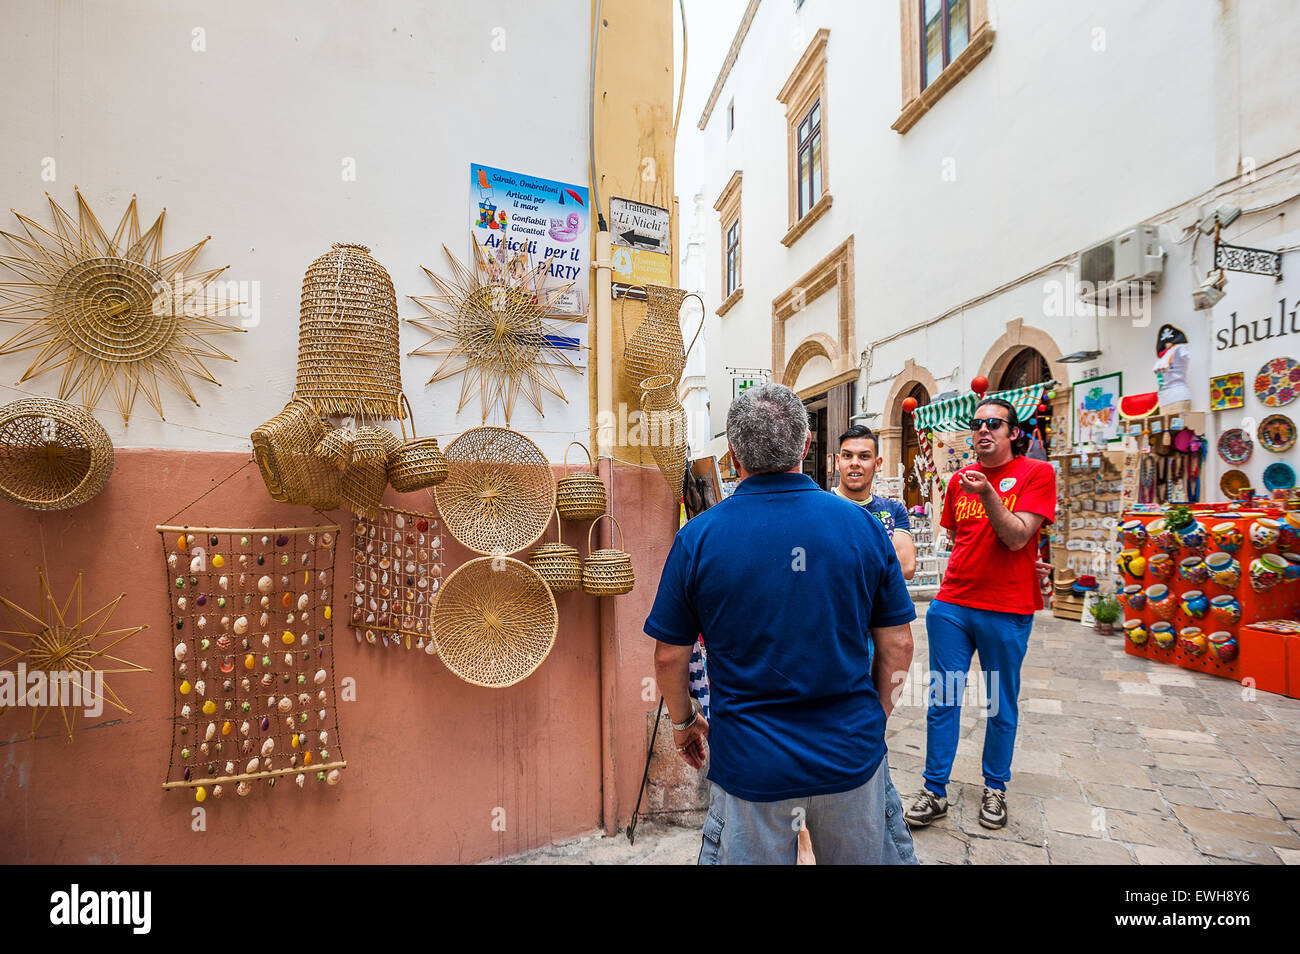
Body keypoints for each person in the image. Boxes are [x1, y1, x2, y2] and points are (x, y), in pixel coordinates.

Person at [645, 382, 916, 864]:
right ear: (808, 446)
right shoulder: (863, 527)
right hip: (849, 757)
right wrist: (873, 718)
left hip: (753, 768)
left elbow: (669, 656)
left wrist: (684, 722)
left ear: (732, 454)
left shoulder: (699, 538)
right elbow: (898, 646)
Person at [903, 397, 1056, 832]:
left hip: (1006, 608)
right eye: (978, 424)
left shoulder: (1036, 474)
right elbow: (959, 540)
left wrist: (989, 494)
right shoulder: (957, 482)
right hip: (952, 605)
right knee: (943, 699)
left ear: (1012, 433)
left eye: (994, 423)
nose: (984, 430)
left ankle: (995, 787)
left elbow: (1016, 537)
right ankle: (934, 791)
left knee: (999, 703)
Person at [834, 424, 916, 580]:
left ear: (878, 464)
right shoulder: (822, 507)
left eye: (864, 456)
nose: (855, 463)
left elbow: (906, 567)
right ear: (838, 462)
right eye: (847, 456)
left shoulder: (894, 509)